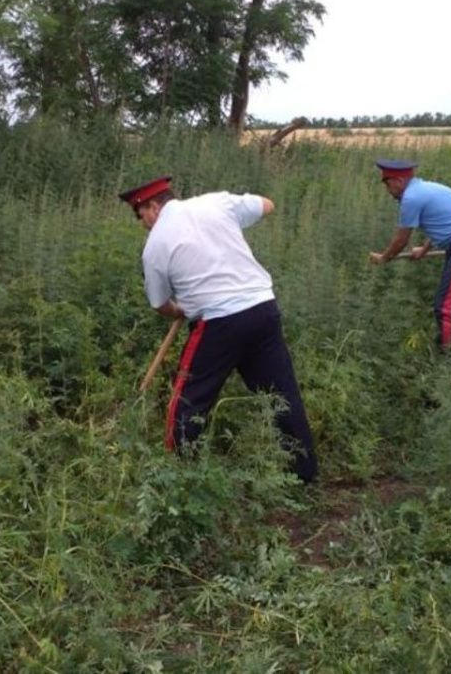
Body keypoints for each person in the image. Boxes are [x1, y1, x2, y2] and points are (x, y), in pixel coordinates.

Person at [119, 176, 318, 483]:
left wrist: (179, 310)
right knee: (281, 395)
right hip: (262, 309)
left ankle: (177, 479)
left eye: (140, 214)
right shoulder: (216, 202)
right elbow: (267, 205)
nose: (142, 223)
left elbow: (159, 304)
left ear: (153, 207)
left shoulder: (155, 245)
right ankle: (304, 477)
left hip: (219, 323)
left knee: (188, 400)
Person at [369, 159, 451, 351]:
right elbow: (442, 223)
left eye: (388, 185)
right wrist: (423, 250)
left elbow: (401, 240)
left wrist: (384, 258)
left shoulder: (411, 198)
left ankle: (450, 357)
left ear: (399, 181)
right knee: (449, 302)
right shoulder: (423, 189)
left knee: (445, 305)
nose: (388, 191)